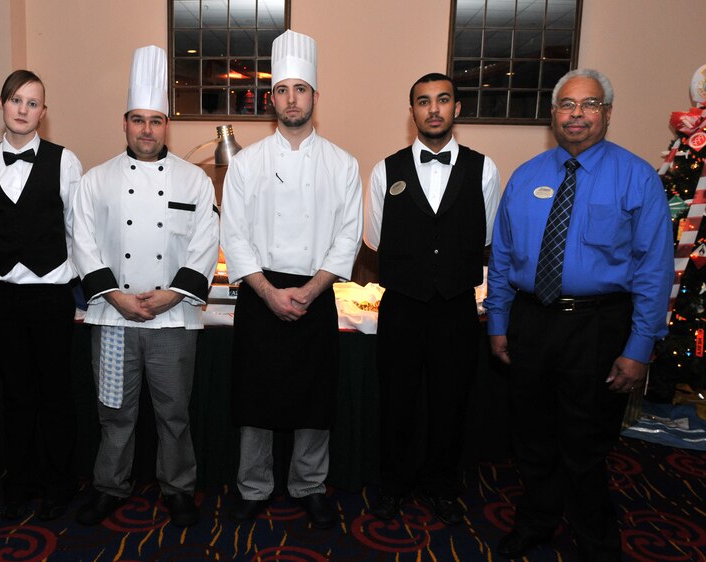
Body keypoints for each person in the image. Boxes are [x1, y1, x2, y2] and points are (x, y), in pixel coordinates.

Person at [485, 69, 674, 561]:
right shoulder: (527, 176)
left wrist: (639, 348)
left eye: (589, 105)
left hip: (598, 327)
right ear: (553, 115)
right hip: (531, 322)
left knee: (586, 444)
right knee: (531, 436)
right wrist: (499, 323)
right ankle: (538, 521)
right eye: (567, 105)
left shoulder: (637, 178)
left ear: (607, 114)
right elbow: (503, 259)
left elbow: (654, 271)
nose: (576, 114)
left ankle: (595, 539)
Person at [220, 29, 363, 530]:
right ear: (271, 98)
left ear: (315, 97)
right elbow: (233, 234)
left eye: (300, 89)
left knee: (313, 400)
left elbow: (348, 236)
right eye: (282, 90)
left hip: (316, 290)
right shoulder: (247, 163)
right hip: (260, 291)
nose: (291, 98)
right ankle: (253, 486)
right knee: (255, 399)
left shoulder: (343, 164)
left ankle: (308, 486)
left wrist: (309, 289)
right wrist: (267, 291)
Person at [72, 45, 219, 528]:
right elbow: (83, 242)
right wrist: (115, 295)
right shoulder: (95, 180)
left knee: (174, 413)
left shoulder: (193, 180)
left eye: (156, 120)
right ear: (125, 123)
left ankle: (178, 488)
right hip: (112, 317)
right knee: (114, 411)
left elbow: (205, 242)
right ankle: (109, 485)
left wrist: (173, 294)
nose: (147, 130)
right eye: (138, 120)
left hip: (173, 319)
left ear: (166, 126)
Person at [363, 72, 501, 525]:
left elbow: (485, 236)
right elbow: (376, 240)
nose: (434, 109)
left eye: (443, 100)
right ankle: (394, 484)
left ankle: (443, 484)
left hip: (457, 306)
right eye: (424, 102)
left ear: (456, 108)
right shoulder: (386, 169)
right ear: (413, 111)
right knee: (397, 401)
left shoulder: (485, 168)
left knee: (451, 400)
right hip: (402, 305)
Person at [0, 70, 83, 521]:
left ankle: (59, 483)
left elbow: (78, 228)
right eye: (16, 100)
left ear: (43, 112)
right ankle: (18, 481)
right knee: (15, 394)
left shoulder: (65, 160)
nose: (23, 109)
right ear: (1, 103)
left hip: (51, 294)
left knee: (55, 392)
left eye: (33, 103)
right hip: (3, 296)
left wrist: (65, 277)